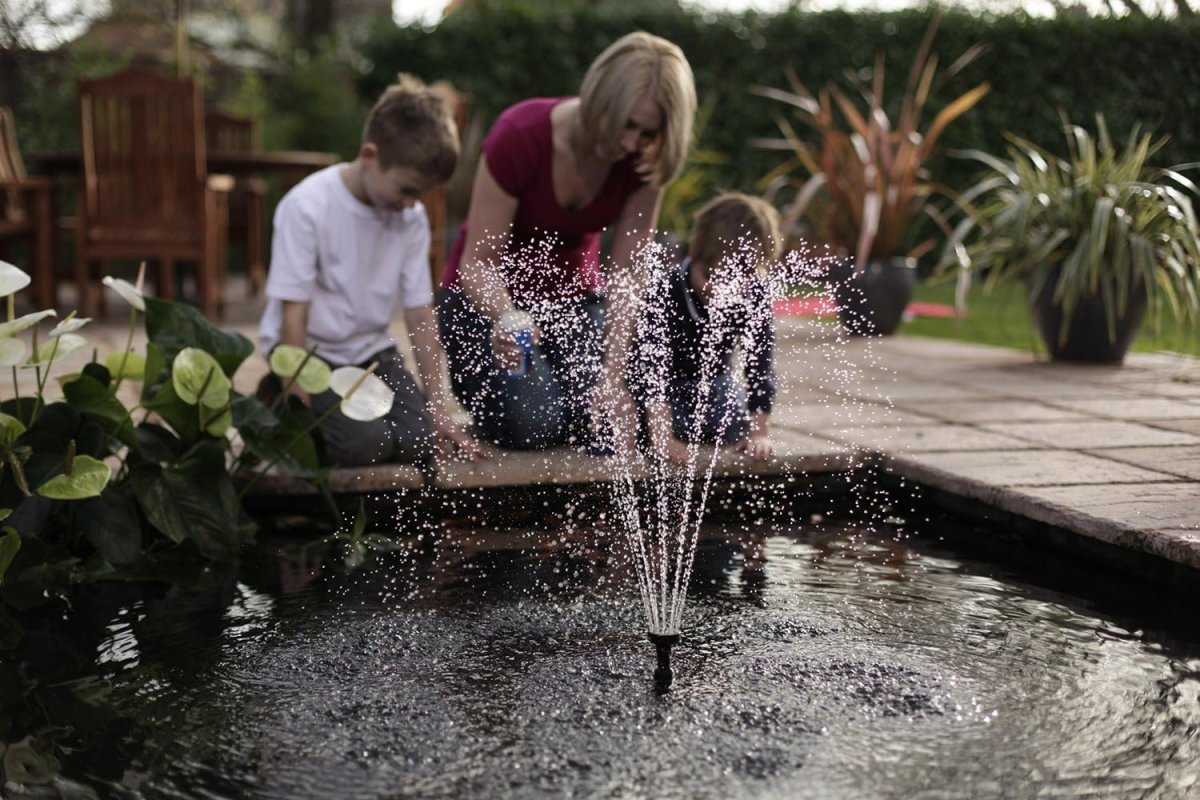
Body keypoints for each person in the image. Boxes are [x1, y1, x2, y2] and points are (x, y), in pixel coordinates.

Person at [437, 31, 697, 453]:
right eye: (627, 125)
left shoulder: (645, 160)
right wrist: (508, 317)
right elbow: (477, 262)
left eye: (647, 133)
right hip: (486, 305)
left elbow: (628, 271)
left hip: (573, 303)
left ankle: (566, 397)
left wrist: (612, 375)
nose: (632, 144)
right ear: (600, 100)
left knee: (611, 420)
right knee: (534, 424)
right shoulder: (519, 136)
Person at [257, 75, 481, 467]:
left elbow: (418, 312)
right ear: (369, 156)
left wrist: (440, 408)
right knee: (366, 444)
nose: (413, 204)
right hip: (312, 354)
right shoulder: (307, 206)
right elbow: (293, 314)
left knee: (419, 442)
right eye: (407, 190)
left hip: (370, 352)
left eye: (422, 195)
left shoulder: (410, 217)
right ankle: (275, 395)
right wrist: (300, 409)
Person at [629, 192, 783, 466]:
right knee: (632, 419)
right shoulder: (666, 289)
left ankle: (682, 426)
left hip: (711, 382)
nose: (723, 290)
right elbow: (652, 368)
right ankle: (657, 429)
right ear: (695, 256)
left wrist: (760, 432)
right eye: (713, 277)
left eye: (737, 280)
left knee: (732, 421)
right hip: (661, 387)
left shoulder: (754, 292)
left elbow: (760, 363)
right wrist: (662, 436)